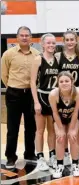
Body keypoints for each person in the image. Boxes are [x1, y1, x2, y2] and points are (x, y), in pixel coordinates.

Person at [1, 26, 40, 168]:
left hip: (30, 94)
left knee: (31, 127)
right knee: (13, 127)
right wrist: (13, 87)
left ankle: (30, 153)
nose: (24, 37)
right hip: (14, 94)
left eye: (27, 35)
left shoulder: (37, 54)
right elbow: (4, 75)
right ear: (17, 37)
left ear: (31, 38)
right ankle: (10, 156)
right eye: (22, 35)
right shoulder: (8, 54)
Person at [55, 31, 79, 165]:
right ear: (63, 41)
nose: (69, 42)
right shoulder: (58, 56)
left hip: (77, 92)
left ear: (76, 41)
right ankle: (66, 153)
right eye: (67, 40)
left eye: (72, 39)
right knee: (64, 123)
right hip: (63, 93)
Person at [30, 33, 59, 171]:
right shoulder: (38, 59)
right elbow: (32, 82)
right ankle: (40, 157)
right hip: (41, 96)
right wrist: (36, 101)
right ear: (42, 44)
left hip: (54, 97)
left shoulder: (58, 59)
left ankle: (52, 155)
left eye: (53, 43)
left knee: (52, 130)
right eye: (48, 43)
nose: (51, 45)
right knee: (40, 130)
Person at [49, 71, 79, 178]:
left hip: (73, 117)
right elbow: (54, 112)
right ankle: (59, 165)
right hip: (59, 118)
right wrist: (60, 129)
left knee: (73, 137)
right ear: (58, 83)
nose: (64, 83)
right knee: (60, 137)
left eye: (67, 81)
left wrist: (72, 129)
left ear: (72, 82)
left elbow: (76, 111)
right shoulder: (53, 94)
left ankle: (75, 164)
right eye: (61, 81)